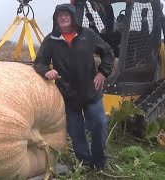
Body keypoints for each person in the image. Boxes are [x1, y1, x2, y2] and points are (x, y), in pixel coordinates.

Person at [33, 3, 114, 171]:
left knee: (99, 123)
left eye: (66, 14)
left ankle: (100, 162)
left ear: (73, 17)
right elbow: (39, 62)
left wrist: (102, 72)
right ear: (56, 19)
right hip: (67, 95)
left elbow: (108, 52)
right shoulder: (51, 40)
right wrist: (47, 71)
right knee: (76, 132)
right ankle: (84, 163)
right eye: (60, 15)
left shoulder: (88, 35)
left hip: (91, 91)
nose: (63, 17)